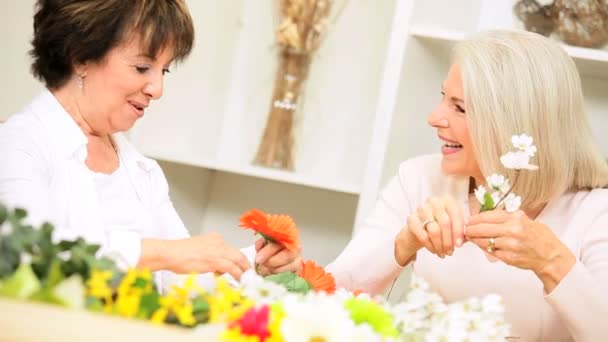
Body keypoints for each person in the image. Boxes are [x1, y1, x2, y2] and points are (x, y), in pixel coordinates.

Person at [327, 30, 608, 341]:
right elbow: (328, 299)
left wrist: (552, 260)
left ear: (514, 122)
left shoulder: (596, 212)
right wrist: (404, 244)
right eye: (443, 98)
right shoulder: (418, 179)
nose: (434, 118)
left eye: (459, 108)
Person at [0, 0, 300, 290]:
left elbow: (183, 278)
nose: (158, 89)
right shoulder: (18, 144)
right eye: (142, 68)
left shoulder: (140, 170)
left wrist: (256, 264)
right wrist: (163, 254)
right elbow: (30, 252)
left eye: (164, 70)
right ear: (80, 56)